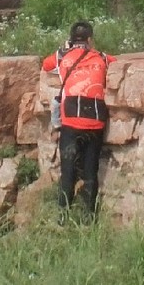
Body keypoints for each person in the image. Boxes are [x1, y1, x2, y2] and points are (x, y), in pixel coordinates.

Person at [42, 20, 115, 220]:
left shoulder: (63, 57)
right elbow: (117, 63)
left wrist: (64, 49)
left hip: (71, 122)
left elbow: (46, 65)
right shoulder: (101, 57)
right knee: (91, 172)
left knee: (68, 173)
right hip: (95, 121)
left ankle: (63, 218)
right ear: (90, 39)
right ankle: (89, 218)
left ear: (71, 40)